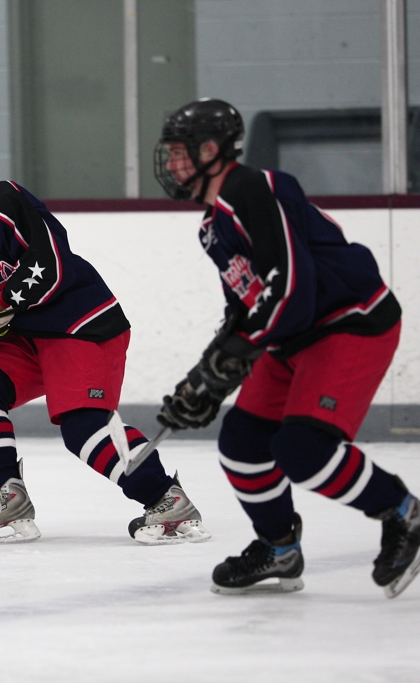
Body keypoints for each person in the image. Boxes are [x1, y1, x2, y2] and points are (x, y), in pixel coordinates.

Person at [0, 127, 210, 546]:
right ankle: (6, 496)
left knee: (83, 428)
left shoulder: (1, 202)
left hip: (78, 323)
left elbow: (50, 262)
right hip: (25, 338)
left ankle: (165, 499)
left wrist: (0, 301)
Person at [153, 98, 420, 598]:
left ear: (211, 150)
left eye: (179, 152)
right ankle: (279, 548)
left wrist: (229, 362)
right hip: (292, 333)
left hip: (350, 321)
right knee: (242, 443)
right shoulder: (213, 227)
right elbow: (246, 308)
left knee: (303, 450)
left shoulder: (256, 188)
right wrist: (205, 379)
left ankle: (403, 511)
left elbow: (290, 288)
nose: (171, 164)